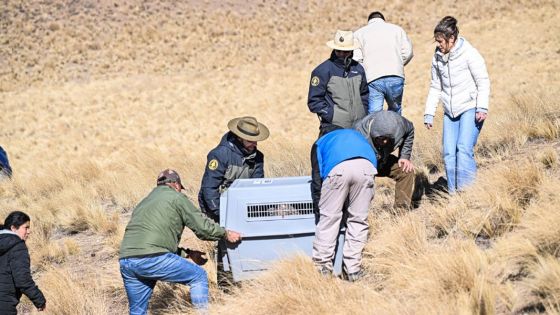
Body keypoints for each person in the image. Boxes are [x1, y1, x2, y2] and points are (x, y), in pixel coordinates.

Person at [119, 169, 242, 314]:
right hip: (152, 258)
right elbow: (202, 228)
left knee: (137, 311)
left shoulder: (143, 203)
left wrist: (188, 254)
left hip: (127, 261)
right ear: (176, 185)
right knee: (198, 277)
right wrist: (225, 233)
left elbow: (152, 243)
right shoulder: (177, 198)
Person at [424, 16, 490, 193]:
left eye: (440, 41)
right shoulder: (437, 57)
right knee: (448, 153)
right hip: (449, 111)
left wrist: (482, 107)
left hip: (470, 107)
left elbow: (483, 80)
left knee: (463, 148)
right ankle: (454, 194)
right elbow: (435, 85)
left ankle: (467, 193)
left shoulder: (469, 53)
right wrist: (429, 112)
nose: (438, 45)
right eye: (436, 41)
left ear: (451, 39)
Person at [310, 126, 377, 281]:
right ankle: (353, 270)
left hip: (337, 170)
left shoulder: (320, 142)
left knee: (329, 219)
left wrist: (318, 208)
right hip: (367, 168)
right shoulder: (356, 135)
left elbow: (317, 178)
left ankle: (322, 268)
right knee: (359, 220)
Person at [198, 116, 269, 223]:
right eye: (250, 140)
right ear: (239, 138)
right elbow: (209, 188)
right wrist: (223, 214)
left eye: (256, 140)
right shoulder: (219, 155)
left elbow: (257, 187)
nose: (255, 144)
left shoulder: (258, 157)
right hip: (216, 210)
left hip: (243, 209)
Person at [307, 30, 369, 136]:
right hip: (333, 128)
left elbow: (364, 94)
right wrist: (332, 116)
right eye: (338, 51)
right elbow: (314, 101)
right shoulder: (322, 70)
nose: (341, 54)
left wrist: (363, 113)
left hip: (358, 128)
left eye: (345, 51)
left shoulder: (359, 69)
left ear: (351, 51)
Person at [353, 11, 413, 115]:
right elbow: (408, 52)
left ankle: (375, 131)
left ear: (369, 21)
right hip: (395, 75)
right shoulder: (397, 29)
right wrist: (397, 63)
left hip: (372, 78)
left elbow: (357, 58)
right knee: (395, 110)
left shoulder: (359, 33)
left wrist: (368, 68)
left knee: (374, 115)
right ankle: (396, 130)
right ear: (383, 20)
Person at [354, 110, 415, 210]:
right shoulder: (358, 132)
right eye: (379, 139)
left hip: (383, 159)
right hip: (364, 164)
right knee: (365, 185)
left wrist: (404, 156)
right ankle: (360, 214)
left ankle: (401, 211)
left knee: (406, 170)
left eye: (386, 138)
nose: (383, 142)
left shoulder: (400, 125)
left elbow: (410, 130)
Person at [0, 211, 46, 314]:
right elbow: (22, 279)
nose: (29, 231)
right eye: (26, 227)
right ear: (13, 228)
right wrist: (39, 300)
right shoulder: (17, 246)